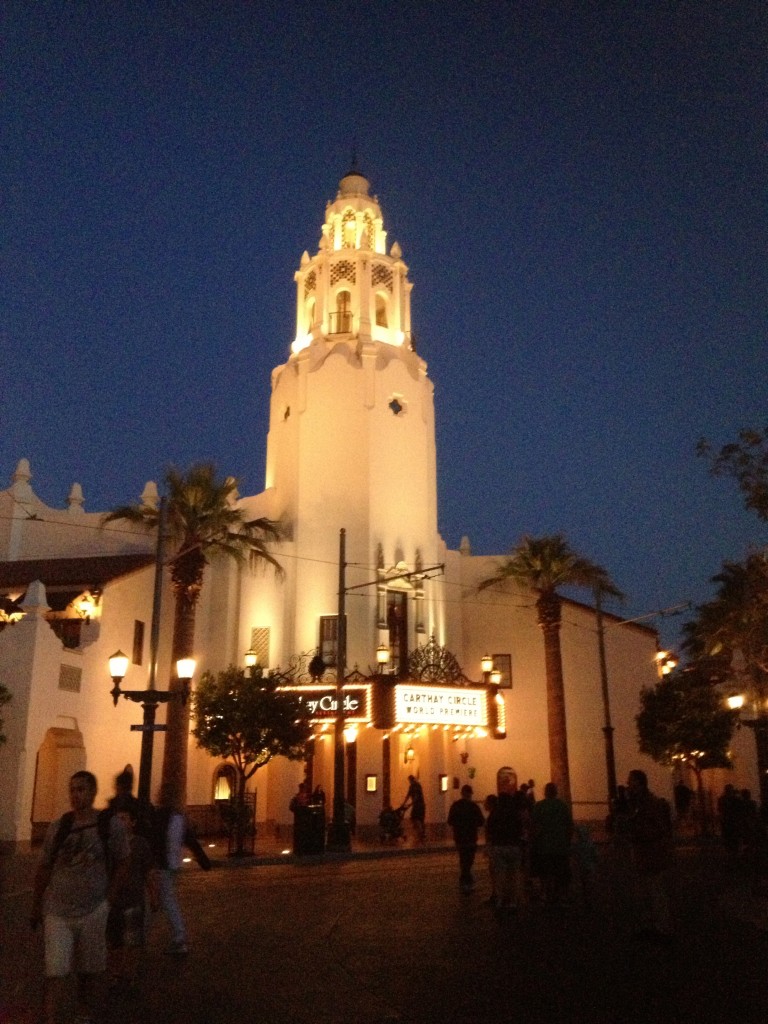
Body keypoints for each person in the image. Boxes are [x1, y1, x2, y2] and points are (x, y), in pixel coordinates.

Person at [30, 770, 130, 1024]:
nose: (76, 795)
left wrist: (109, 898)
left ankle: (83, 1015)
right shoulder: (59, 826)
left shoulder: (109, 825)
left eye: (81, 789)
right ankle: (51, 1019)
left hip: (94, 908)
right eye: (72, 789)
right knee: (55, 970)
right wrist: (36, 903)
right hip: (58, 909)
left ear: (93, 792)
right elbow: (44, 866)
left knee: (89, 969)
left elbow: (123, 860)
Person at [106, 797, 159, 992]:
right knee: (114, 940)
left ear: (133, 822)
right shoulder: (109, 844)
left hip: (133, 899)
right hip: (113, 900)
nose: (120, 822)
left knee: (133, 940)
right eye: (117, 819)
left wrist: (153, 894)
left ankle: (129, 974)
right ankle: (115, 973)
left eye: (124, 819)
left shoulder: (140, 844)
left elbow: (149, 871)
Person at [151, 782, 211, 956]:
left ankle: (179, 937)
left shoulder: (160, 815)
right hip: (173, 863)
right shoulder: (179, 817)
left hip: (163, 864)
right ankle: (175, 935)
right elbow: (190, 840)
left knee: (166, 900)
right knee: (165, 899)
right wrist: (204, 861)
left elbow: (155, 839)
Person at [626, 768, 674, 942]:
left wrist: (641, 834)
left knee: (655, 891)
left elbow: (658, 829)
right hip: (642, 852)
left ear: (639, 783)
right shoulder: (637, 803)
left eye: (630, 781)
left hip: (651, 853)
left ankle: (662, 927)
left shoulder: (650, 804)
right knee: (644, 892)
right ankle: (649, 925)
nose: (627, 784)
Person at [530, 782, 573, 907]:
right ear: (556, 792)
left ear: (545, 792)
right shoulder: (562, 806)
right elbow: (569, 825)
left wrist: (533, 840)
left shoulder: (539, 806)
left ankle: (545, 894)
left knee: (545, 872)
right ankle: (562, 896)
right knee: (561, 872)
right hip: (560, 845)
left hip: (544, 845)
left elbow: (534, 825)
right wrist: (568, 840)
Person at [484, 789, 528, 911]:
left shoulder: (495, 813)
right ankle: (513, 900)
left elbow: (489, 829)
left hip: (499, 846)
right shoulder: (515, 814)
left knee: (500, 874)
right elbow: (520, 829)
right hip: (514, 846)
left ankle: (500, 899)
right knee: (513, 874)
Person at [447, 784, 485, 893]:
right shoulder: (474, 806)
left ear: (462, 793)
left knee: (463, 859)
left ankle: (465, 880)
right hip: (471, 837)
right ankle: (467, 880)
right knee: (469, 860)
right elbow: (481, 821)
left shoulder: (456, 805)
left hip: (459, 837)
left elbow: (450, 821)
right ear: (470, 794)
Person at [401, 775, 426, 842]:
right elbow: (408, 795)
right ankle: (421, 835)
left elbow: (415, 796)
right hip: (421, 805)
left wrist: (409, 804)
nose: (409, 782)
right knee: (420, 820)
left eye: (409, 781)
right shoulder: (416, 785)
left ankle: (420, 834)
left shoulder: (414, 786)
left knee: (415, 819)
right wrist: (404, 803)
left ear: (410, 780)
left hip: (418, 805)